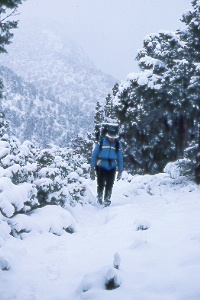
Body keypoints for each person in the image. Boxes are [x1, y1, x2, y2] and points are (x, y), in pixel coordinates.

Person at [90, 127, 123, 206]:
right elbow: (94, 154)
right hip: (101, 165)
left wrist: (120, 170)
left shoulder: (118, 144)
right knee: (100, 182)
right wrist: (92, 167)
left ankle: (107, 198)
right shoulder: (101, 142)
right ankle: (99, 196)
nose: (112, 139)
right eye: (111, 137)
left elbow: (120, 157)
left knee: (110, 183)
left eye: (114, 137)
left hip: (112, 166)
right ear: (108, 136)